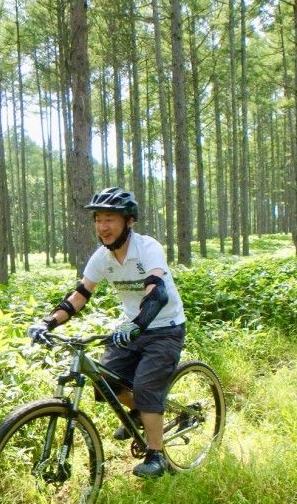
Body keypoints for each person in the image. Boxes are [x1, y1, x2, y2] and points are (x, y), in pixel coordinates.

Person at [27, 186, 186, 478]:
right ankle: (141, 413)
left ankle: (157, 455)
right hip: (130, 329)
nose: (103, 226)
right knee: (104, 379)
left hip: (164, 329)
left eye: (110, 219)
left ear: (129, 221)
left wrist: (135, 325)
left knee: (148, 387)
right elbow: (80, 295)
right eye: (98, 219)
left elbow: (157, 294)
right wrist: (47, 322)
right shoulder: (101, 257)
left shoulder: (147, 248)